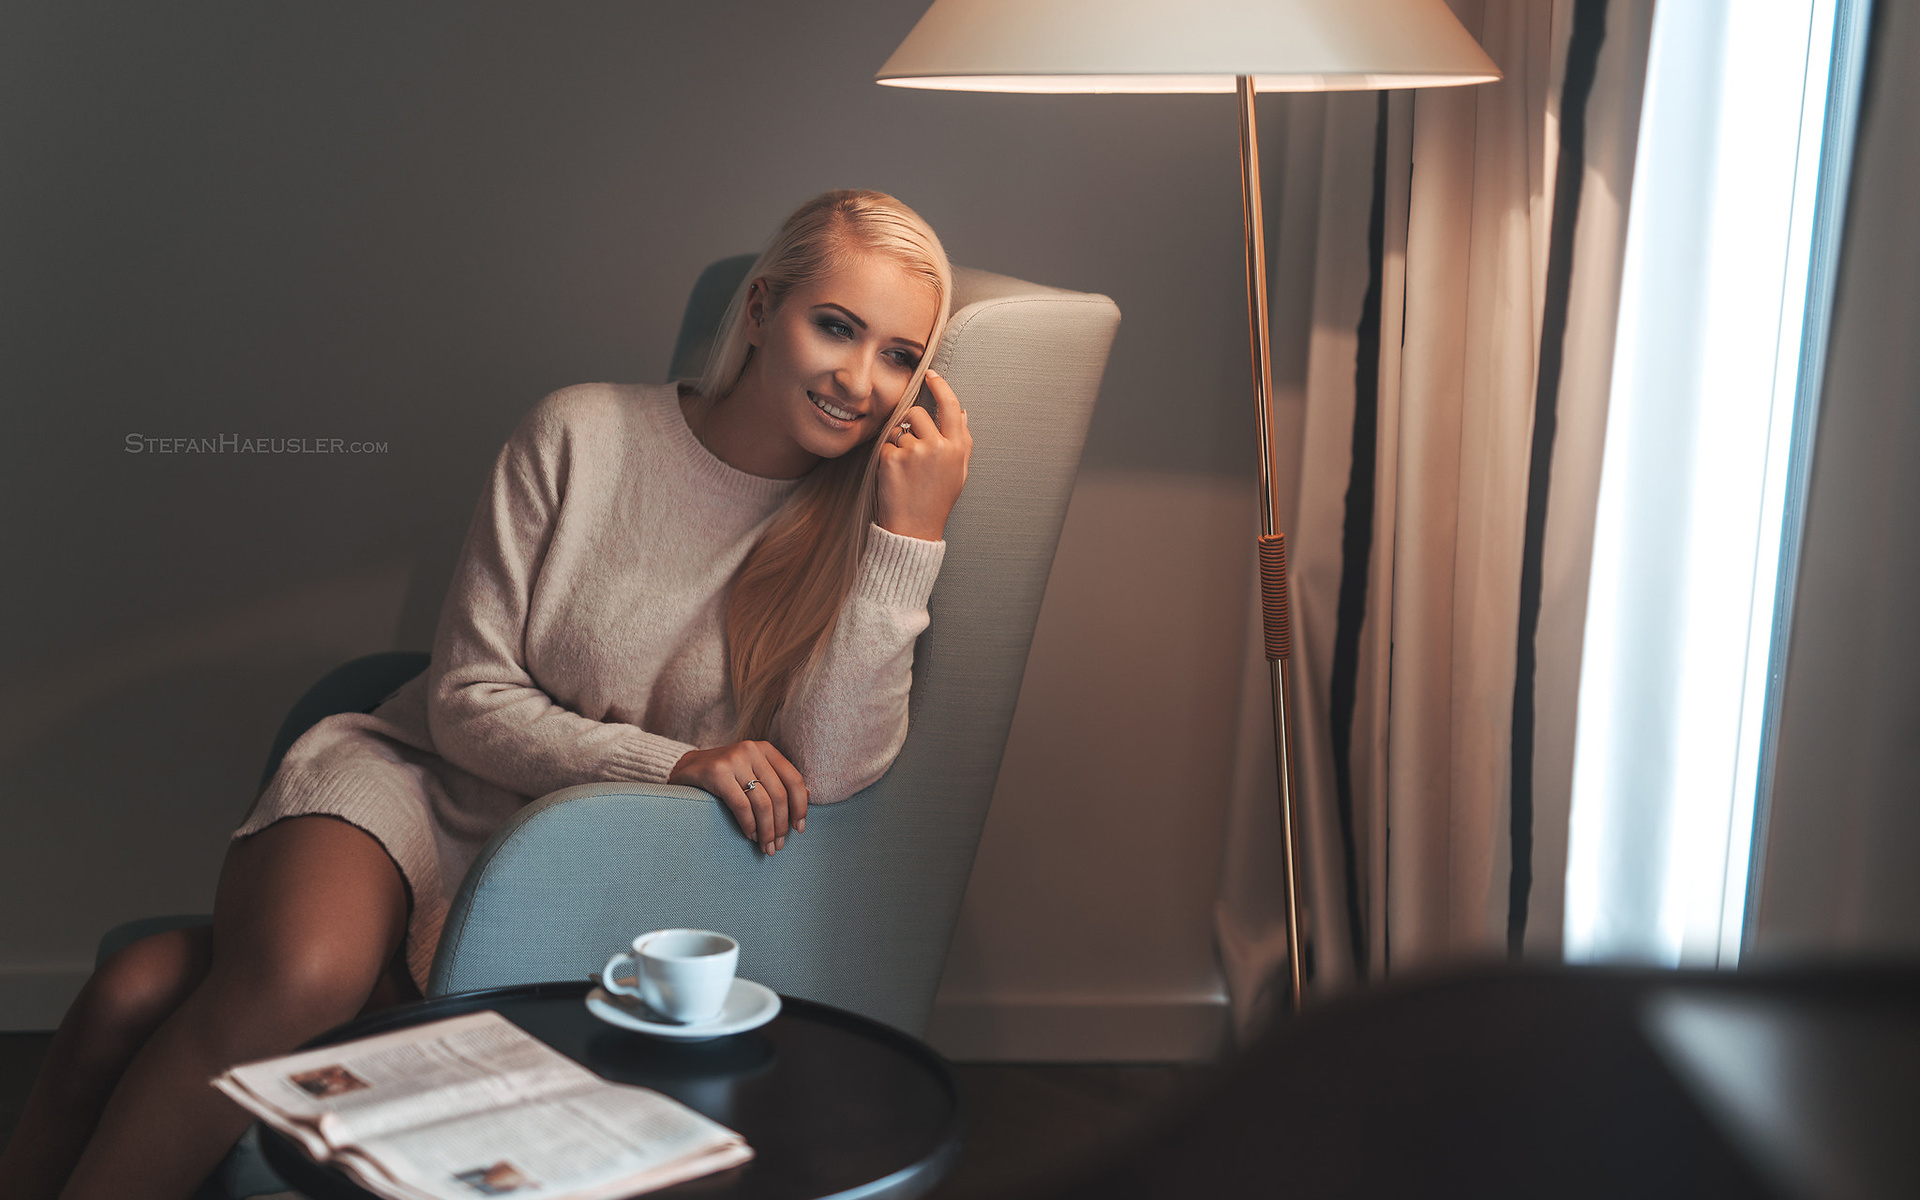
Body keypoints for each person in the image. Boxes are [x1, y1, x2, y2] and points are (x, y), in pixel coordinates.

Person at [0, 188, 971, 1200]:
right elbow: (465, 699)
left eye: (901, 355)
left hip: (552, 877)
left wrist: (908, 544)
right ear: (766, 310)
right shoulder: (581, 433)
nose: (861, 381)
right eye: (838, 328)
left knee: (137, 992)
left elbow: (835, 769)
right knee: (306, 979)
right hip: (412, 785)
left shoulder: (858, 528)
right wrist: (673, 762)